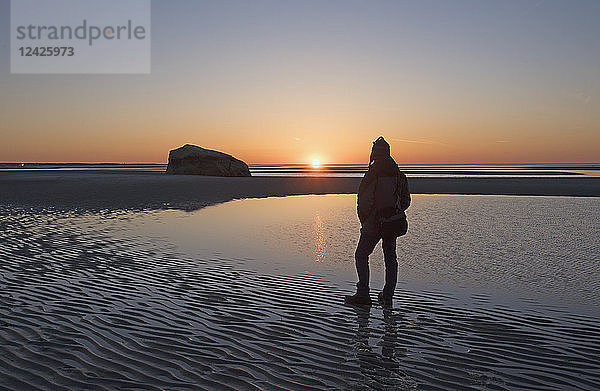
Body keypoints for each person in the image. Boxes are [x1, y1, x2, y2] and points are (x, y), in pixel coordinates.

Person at [344, 136, 411, 307]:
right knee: (390, 259)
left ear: (375, 153)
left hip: (375, 222)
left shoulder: (373, 173)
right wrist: (394, 211)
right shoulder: (398, 173)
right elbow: (406, 201)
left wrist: (365, 219)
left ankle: (363, 293)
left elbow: (364, 200)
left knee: (361, 255)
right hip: (393, 221)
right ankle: (388, 296)